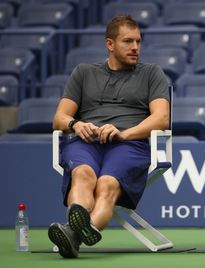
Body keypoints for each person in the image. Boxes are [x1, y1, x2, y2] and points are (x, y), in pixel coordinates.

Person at [48, 15, 170, 258]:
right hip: (85, 142)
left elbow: (161, 118)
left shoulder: (152, 73)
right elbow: (59, 118)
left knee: (107, 184)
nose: (135, 47)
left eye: (138, 41)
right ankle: (78, 234)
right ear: (110, 44)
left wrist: (124, 134)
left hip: (129, 144)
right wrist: (76, 123)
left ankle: (72, 235)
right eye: (128, 41)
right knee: (82, 174)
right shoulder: (83, 73)